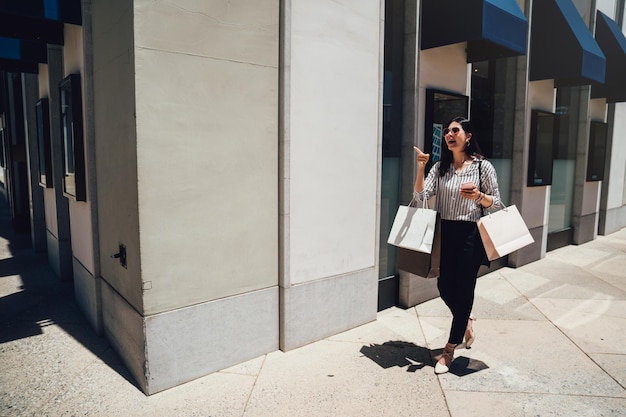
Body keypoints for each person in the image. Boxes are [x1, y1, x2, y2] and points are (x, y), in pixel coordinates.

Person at [413, 116, 501, 374]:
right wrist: (421, 168)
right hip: (445, 232)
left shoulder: (483, 167)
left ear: (468, 136)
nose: (449, 135)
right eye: (447, 132)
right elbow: (420, 196)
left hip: (470, 234)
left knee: (464, 291)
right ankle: (466, 321)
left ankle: (449, 350)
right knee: (443, 285)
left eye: (455, 131)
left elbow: (495, 202)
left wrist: (478, 196)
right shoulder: (440, 167)